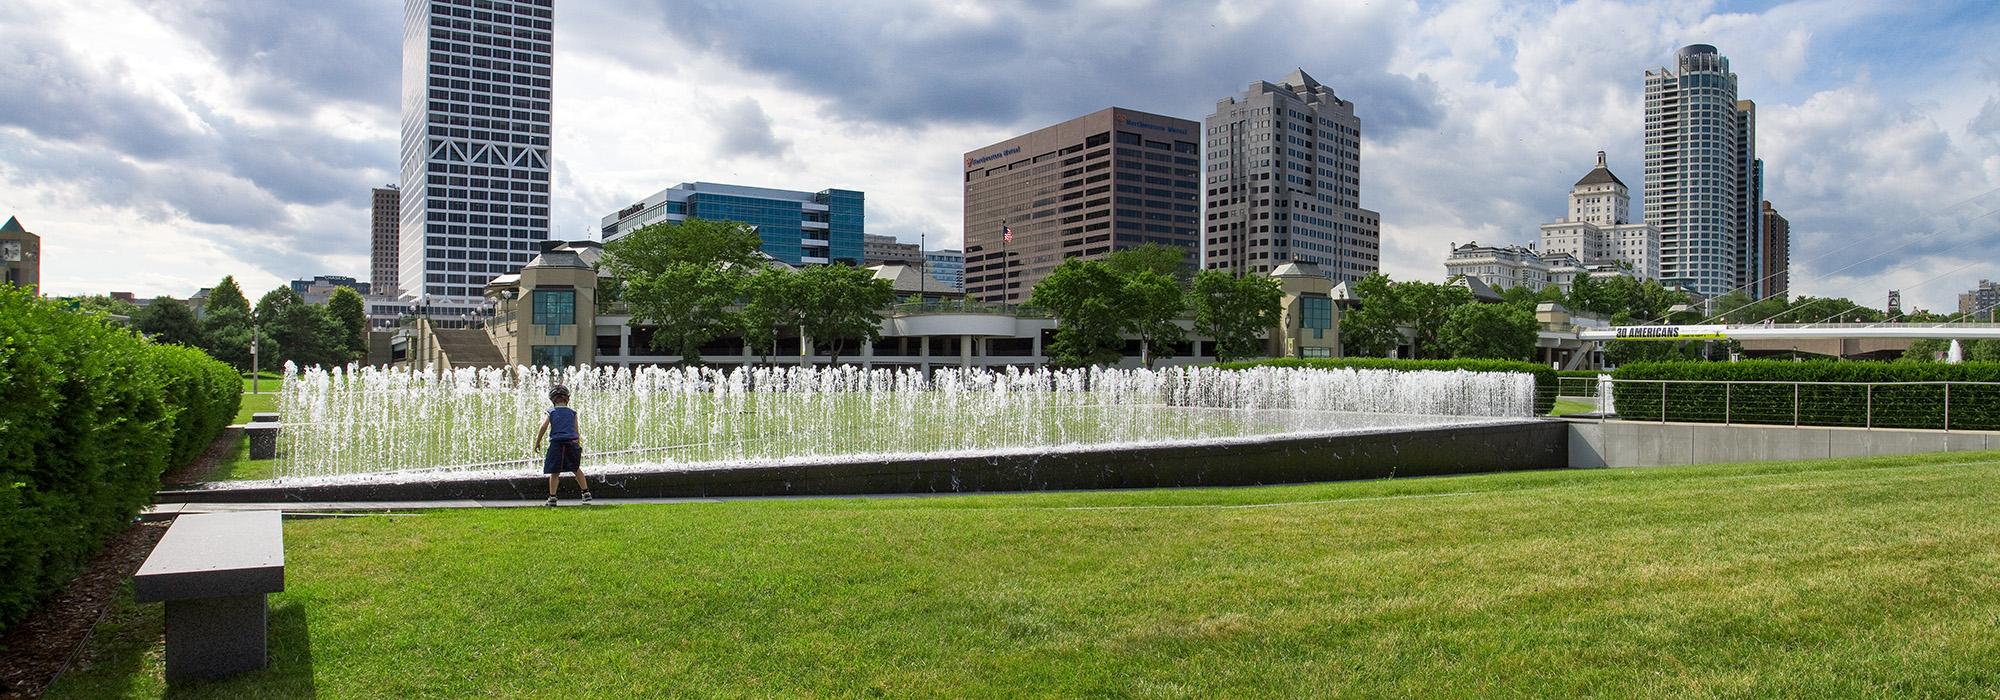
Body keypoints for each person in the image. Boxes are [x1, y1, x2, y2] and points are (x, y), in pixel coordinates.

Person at [534, 384, 592, 506]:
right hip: (571, 442)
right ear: (567, 399)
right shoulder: (572, 412)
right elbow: (576, 429)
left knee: (555, 471)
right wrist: (578, 443)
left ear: (552, 399)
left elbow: (543, 426)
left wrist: (538, 441)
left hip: (556, 443)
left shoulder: (551, 412)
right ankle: (586, 493)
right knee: (576, 468)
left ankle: (552, 497)